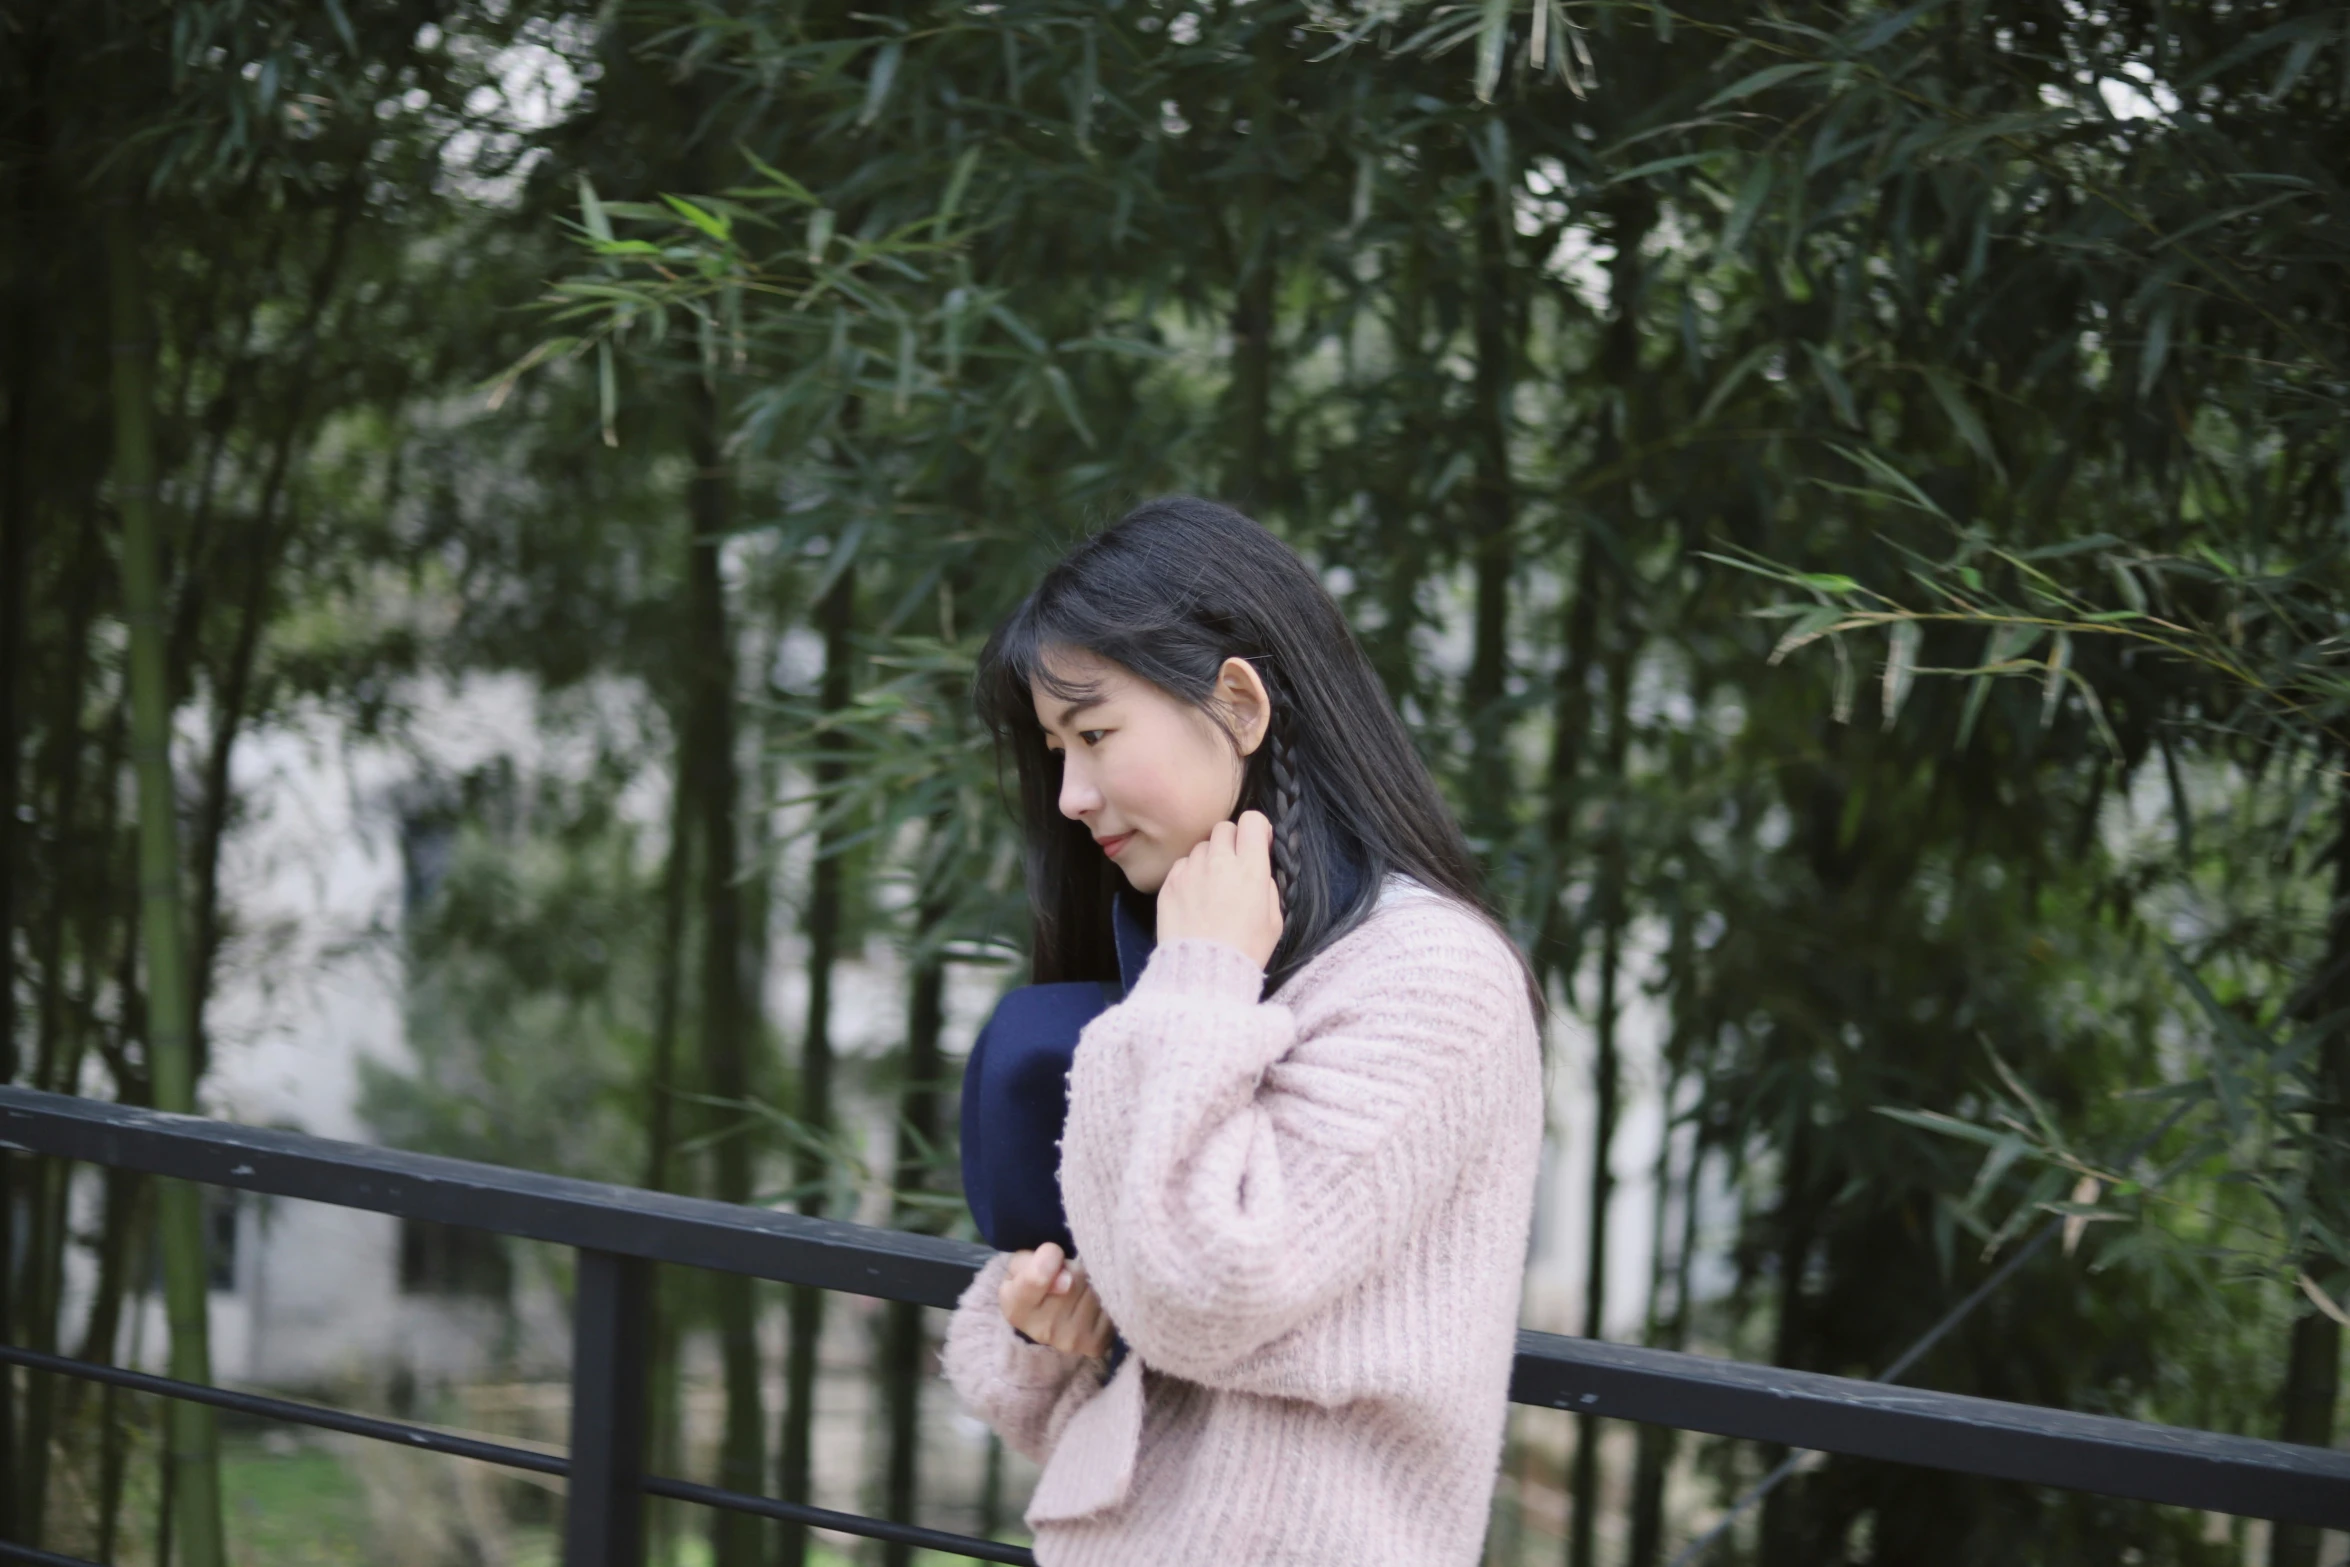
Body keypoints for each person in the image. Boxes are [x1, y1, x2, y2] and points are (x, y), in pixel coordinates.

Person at [942, 495, 1548, 1566]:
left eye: (1093, 734)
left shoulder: (1430, 975)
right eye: (1054, 748)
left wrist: (1197, 979)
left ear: (1237, 703)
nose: (1071, 794)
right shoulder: (1215, 955)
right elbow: (1138, 1405)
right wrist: (1050, 1329)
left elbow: (1202, 1298)